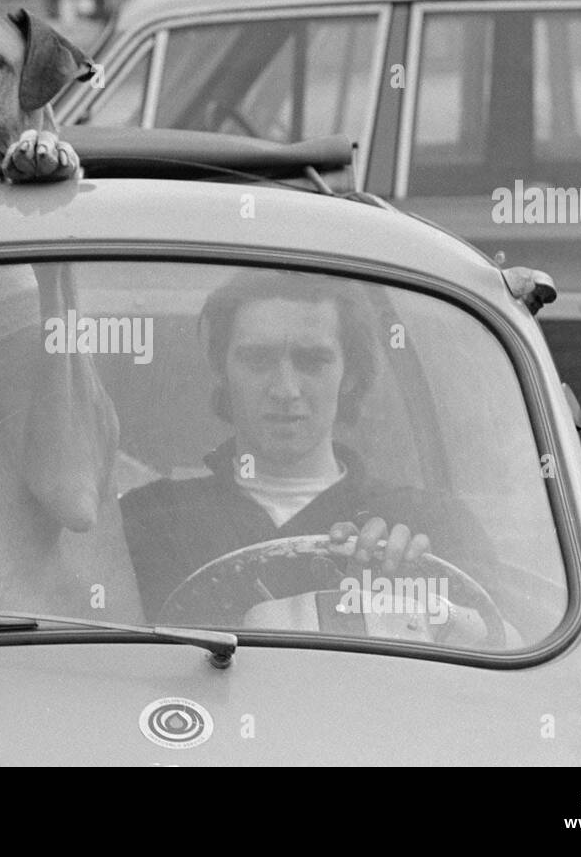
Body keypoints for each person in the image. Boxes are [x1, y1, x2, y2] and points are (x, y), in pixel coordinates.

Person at [119, 268, 496, 628]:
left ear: (348, 374)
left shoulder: (431, 523)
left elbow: (507, 646)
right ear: (222, 368)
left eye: (312, 361)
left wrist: (423, 602)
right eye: (258, 359)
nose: (285, 389)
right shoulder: (149, 522)